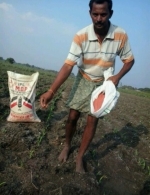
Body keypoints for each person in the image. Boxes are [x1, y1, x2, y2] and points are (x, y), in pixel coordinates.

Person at [40, 0, 134, 173]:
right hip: (84, 77)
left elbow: (129, 60)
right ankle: (67, 145)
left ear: (110, 14)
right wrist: (51, 91)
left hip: (103, 83)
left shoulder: (120, 34)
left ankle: (80, 157)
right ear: (90, 13)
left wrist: (117, 76)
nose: (99, 18)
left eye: (103, 14)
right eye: (95, 14)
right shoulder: (81, 35)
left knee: (92, 120)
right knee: (73, 116)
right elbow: (68, 65)